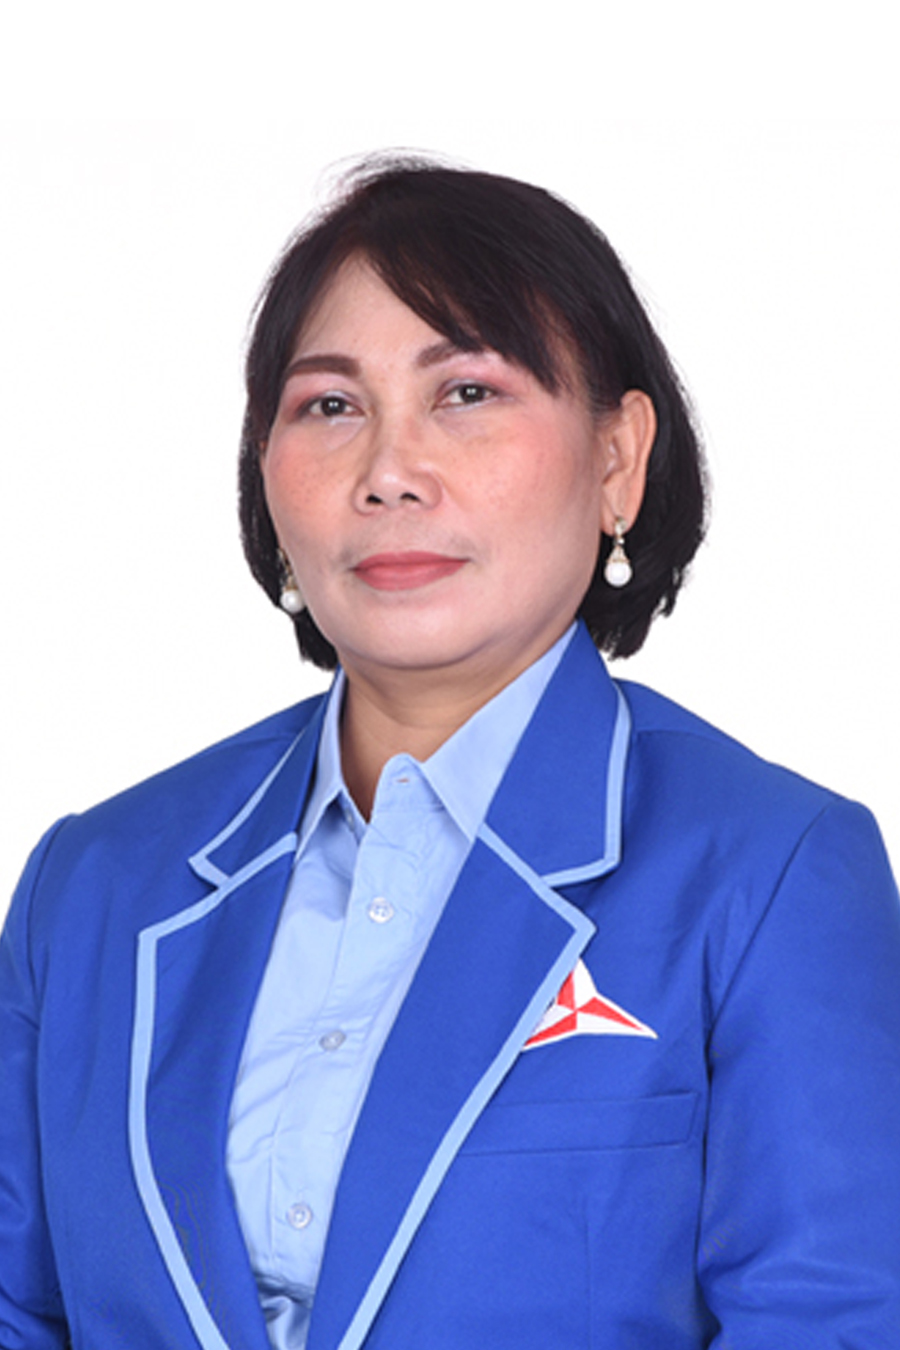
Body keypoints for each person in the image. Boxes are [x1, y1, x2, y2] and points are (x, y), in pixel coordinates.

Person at [2, 159, 899, 1350]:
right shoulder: (93, 886)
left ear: (618, 460)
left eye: (467, 392)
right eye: (330, 406)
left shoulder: (769, 874)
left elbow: (827, 1323)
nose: (388, 473)